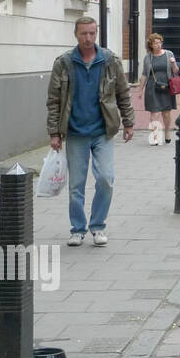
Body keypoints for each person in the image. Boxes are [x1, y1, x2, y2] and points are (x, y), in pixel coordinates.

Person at [46, 16, 135, 246]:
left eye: (92, 33)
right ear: (76, 34)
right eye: (84, 33)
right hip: (75, 132)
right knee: (76, 185)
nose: (88, 38)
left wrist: (128, 122)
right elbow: (54, 100)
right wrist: (54, 132)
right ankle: (77, 229)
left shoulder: (109, 60)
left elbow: (123, 93)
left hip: (102, 131)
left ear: (97, 33)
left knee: (106, 179)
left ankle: (98, 226)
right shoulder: (64, 63)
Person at [138, 32, 179, 145]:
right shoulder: (148, 57)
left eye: (160, 42)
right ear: (151, 45)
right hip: (152, 87)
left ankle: (167, 132)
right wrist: (140, 90)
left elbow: (175, 71)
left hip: (167, 86)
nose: (158, 45)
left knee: (166, 113)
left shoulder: (169, 54)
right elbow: (144, 74)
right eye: (155, 43)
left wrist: (173, 63)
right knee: (154, 112)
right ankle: (155, 136)